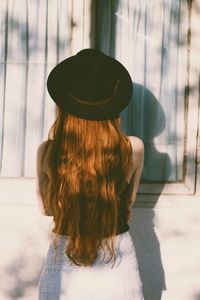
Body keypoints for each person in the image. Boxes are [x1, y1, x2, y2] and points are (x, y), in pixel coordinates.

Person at [36, 48, 144, 300]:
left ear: (65, 103)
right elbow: (127, 205)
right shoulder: (133, 148)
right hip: (118, 258)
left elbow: (46, 209)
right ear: (113, 103)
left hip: (62, 259)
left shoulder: (48, 150)